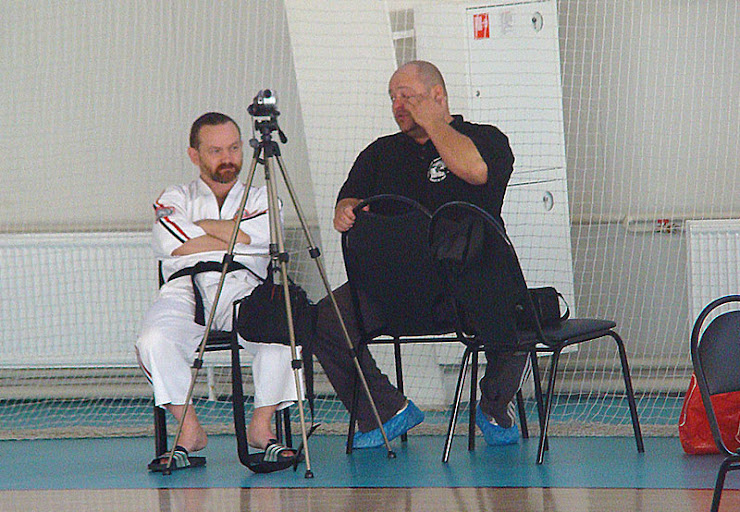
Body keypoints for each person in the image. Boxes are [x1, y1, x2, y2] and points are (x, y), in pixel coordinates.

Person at [313, 61, 528, 449]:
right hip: (394, 288)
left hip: (469, 286)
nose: (398, 105)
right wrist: (345, 209)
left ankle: (495, 405)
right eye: (392, 97)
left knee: (517, 311)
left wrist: (434, 125)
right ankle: (384, 410)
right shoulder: (380, 153)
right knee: (326, 320)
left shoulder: (486, 138)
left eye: (407, 96)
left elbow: (476, 172)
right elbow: (349, 197)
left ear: (437, 96)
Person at [136, 112, 300, 473]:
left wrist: (199, 227)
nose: (228, 158)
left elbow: (263, 239)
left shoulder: (261, 194)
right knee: (152, 340)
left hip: (244, 287)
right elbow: (171, 242)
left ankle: (261, 427)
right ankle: (189, 431)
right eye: (215, 151)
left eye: (234, 148)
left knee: (282, 332)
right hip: (184, 290)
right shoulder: (174, 195)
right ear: (194, 155)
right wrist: (236, 235)